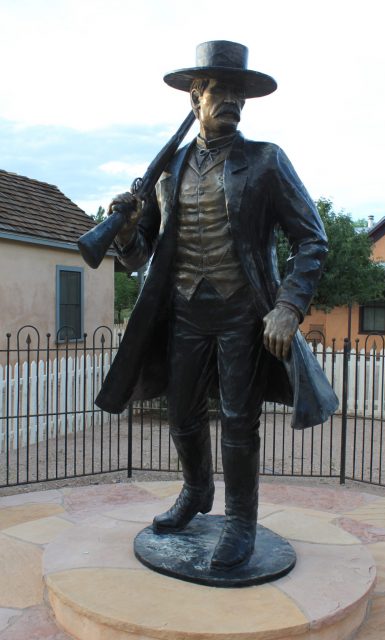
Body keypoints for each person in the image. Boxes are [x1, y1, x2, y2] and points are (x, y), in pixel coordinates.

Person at [96, 40, 338, 570]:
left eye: (237, 92)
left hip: (242, 314)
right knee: (181, 413)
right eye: (217, 91)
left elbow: (312, 239)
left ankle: (240, 522)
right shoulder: (169, 171)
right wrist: (129, 231)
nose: (230, 100)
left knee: (237, 420)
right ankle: (196, 492)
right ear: (195, 100)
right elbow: (140, 259)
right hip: (183, 312)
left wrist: (288, 305)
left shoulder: (267, 161)